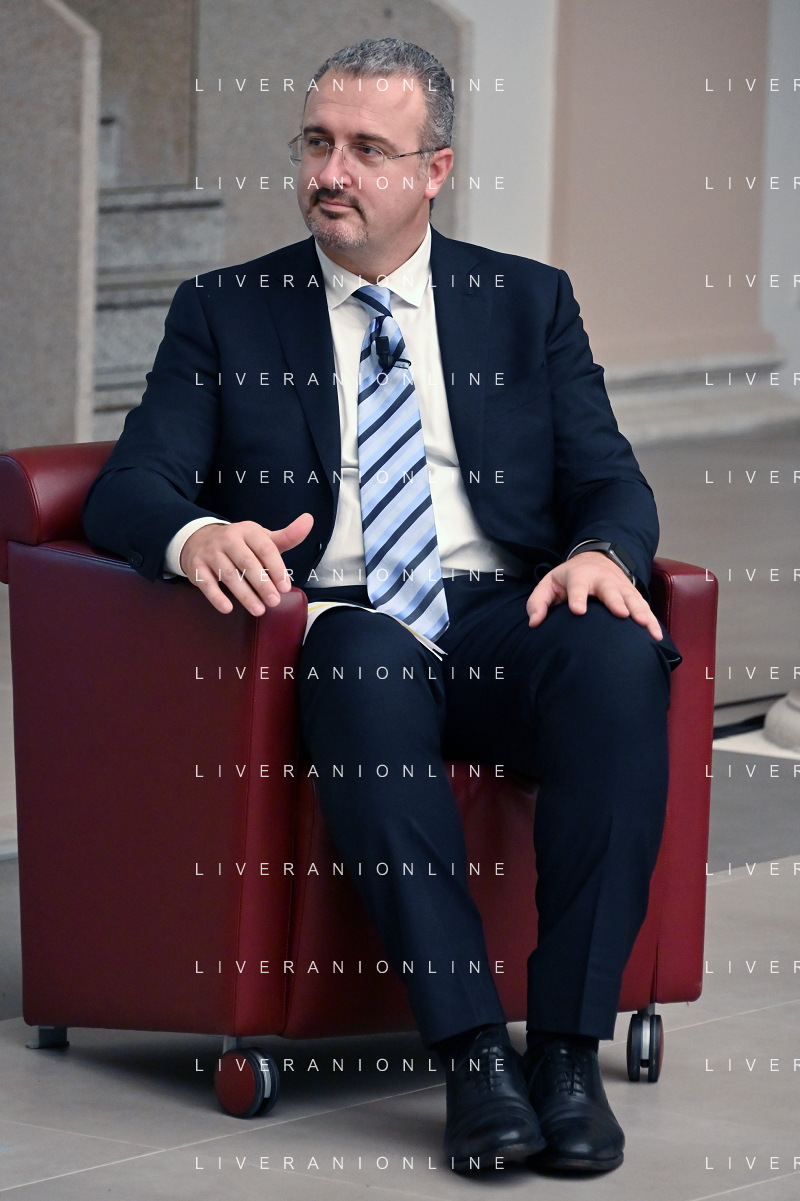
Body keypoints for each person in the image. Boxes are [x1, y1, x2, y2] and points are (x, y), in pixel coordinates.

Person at [83, 37, 681, 1175]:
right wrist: (197, 532)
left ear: (434, 170)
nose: (331, 173)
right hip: (340, 615)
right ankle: (474, 1059)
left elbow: (608, 478)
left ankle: (564, 1052)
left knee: (613, 655)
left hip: (497, 609)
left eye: (366, 149)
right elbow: (130, 486)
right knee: (359, 663)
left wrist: (602, 551)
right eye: (317, 143)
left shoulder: (525, 301)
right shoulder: (227, 309)